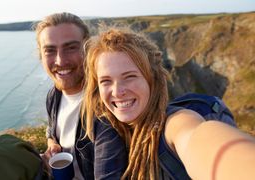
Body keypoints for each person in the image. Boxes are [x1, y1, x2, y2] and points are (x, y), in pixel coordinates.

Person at [82, 27, 255, 180]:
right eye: (106, 81)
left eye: (130, 77)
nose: (118, 91)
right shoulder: (106, 131)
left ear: (153, 80)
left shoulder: (175, 123)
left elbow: (194, 136)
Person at [35, 12, 127, 179]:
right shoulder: (54, 95)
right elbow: (51, 129)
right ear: (41, 56)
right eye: (49, 50)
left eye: (71, 48)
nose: (60, 61)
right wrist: (52, 144)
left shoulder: (104, 108)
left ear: (89, 49)